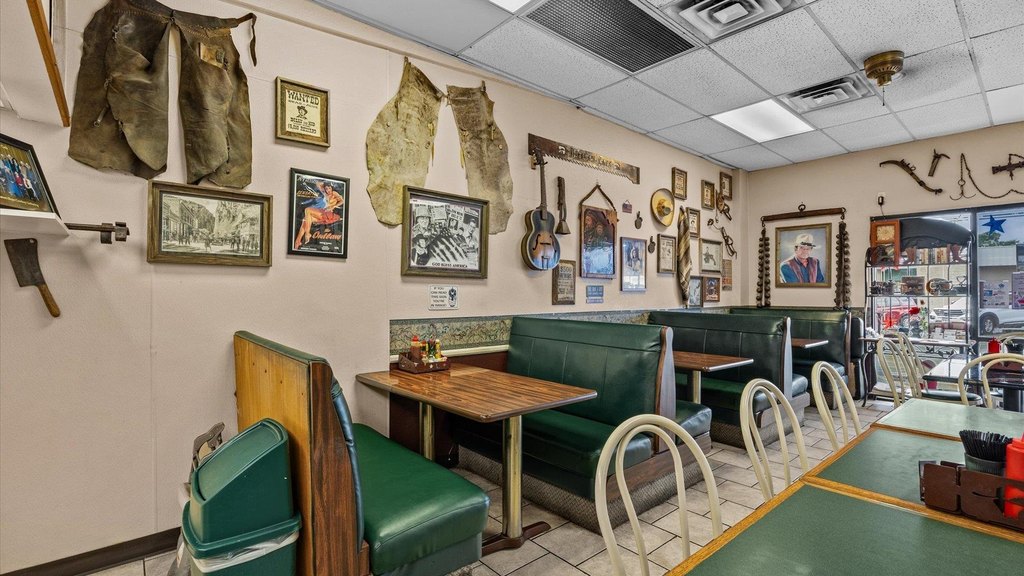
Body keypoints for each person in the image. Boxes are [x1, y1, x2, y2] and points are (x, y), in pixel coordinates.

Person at [294, 181, 344, 250]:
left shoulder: (334, 193)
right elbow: (318, 183)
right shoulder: (325, 194)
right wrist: (325, 184)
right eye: (326, 189)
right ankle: (297, 242)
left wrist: (333, 206)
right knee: (305, 220)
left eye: (329, 188)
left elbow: (342, 201)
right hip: (323, 212)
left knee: (307, 210)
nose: (328, 190)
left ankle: (307, 234)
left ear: (332, 188)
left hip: (329, 214)